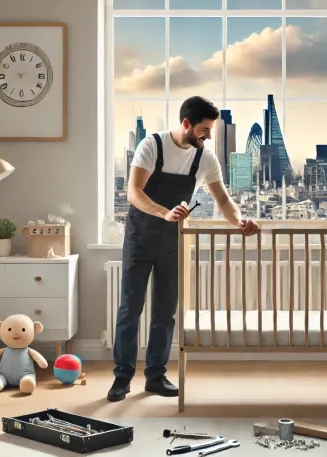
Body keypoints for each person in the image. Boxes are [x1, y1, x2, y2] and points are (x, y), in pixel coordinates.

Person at [108, 96, 260, 402]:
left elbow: (223, 200)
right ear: (187, 124)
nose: (208, 136)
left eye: (211, 131)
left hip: (173, 241)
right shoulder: (152, 146)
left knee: (165, 312)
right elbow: (133, 192)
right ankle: (122, 377)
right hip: (140, 238)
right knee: (130, 309)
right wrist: (163, 212)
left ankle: (155, 376)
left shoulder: (206, 158)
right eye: (204, 130)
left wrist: (240, 221)